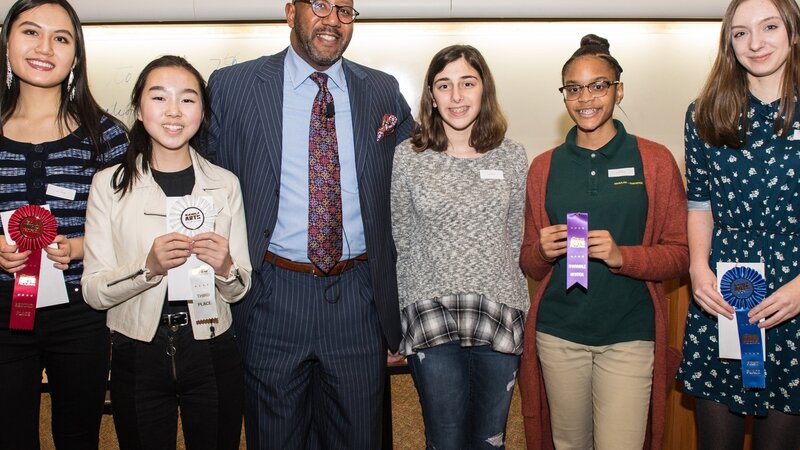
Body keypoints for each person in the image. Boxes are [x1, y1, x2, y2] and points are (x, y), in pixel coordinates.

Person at [207, 0, 413, 447]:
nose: (332, 20)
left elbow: (419, 173)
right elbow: (201, 175)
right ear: (289, 12)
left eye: (345, 9)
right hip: (271, 294)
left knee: (359, 434)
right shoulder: (234, 86)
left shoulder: (381, 90)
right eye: (319, 4)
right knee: (275, 436)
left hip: (358, 297)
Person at [517, 34, 688, 450]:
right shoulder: (544, 167)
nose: (585, 98)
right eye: (573, 88)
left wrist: (621, 256)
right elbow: (528, 263)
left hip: (629, 336)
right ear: (564, 96)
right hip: (559, 336)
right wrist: (541, 251)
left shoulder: (655, 160)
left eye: (598, 85)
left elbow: (681, 254)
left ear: (618, 90)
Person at [81, 55, 252, 450]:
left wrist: (225, 267)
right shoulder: (109, 186)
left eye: (188, 99)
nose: (174, 111)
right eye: (159, 98)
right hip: (137, 348)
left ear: (203, 111)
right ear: (139, 109)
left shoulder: (224, 184)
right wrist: (148, 268)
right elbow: (92, 290)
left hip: (211, 344)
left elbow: (241, 286)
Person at [0, 0, 128, 448]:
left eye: (61, 38)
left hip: (81, 313)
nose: (44, 47)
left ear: (76, 55)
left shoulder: (106, 135)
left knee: (79, 436)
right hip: (3, 313)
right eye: (30, 32)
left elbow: (125, 226)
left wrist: (78, 247)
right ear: (7, 42)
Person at [391, 44, 529, 449]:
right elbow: (403, 238)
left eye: (467, 83)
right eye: (444, 85)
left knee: (490, 439)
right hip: (430, 314)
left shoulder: (513, 157)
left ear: (483, 89)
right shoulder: (408, 157)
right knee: (445, 440)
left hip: (498, 313)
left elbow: (513, 235)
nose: (456, 96)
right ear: (431, 95)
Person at [676, 0, 800, 448]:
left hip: (795, 296)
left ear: (793, 31)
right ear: (729, 43)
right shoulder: (703, 113)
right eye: (741, 33)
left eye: (769, 27)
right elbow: (699, 204)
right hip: (724, 292)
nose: (756, 42)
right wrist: (697, 269)